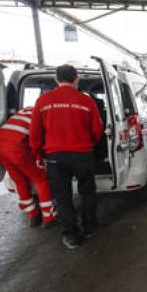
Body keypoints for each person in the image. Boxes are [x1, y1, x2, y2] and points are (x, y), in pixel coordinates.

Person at [30, 65, 103, 249]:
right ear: (76, 79)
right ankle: (89, 226)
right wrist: (90, 144)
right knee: (87, 192)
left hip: (55, 157)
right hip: (83, 154)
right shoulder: (86, 101)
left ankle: (71, 235)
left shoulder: (43, 100)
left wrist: (38, 153)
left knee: (62, 197)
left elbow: (35, 132)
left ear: (56, 79)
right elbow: (97, 129)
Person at [0, 107, 56, 228]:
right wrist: (39, 157)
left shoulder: (25, 110)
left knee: (19, 180)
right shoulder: (44, 116)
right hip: (16, 147)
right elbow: (38, 140)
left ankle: (32, 214)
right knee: (41, 179)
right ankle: (48, 217)